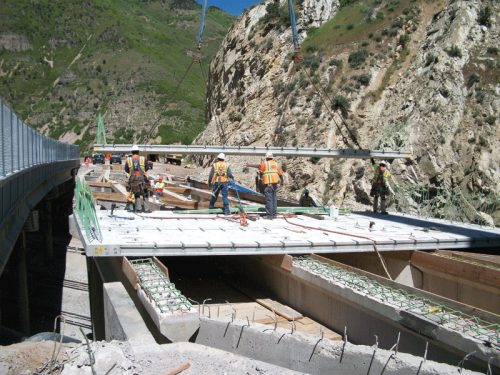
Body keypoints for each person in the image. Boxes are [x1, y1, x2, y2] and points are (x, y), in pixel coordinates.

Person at [247, 152, 283, 219]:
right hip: (275, 185)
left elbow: (259, 166)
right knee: (274, 199)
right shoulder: (276, 164)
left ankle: (269, 215)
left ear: (266, 157)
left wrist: (249, 165)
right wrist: (282, 182)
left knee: (269, 200)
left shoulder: (265, 164)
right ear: (272, 157)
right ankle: (274, 214)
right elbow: (280, 174)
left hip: (268, 185)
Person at [125, 145, 150, 212]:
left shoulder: (128, 159)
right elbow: (147, 168)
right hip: (142, 178)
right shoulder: (143, 158)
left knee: (136, 194)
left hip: (133, 178)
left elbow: (126, 170)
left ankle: (138, 209)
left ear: (132, 152)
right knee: (145, 194)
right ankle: (147, 209)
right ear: (138, 152)